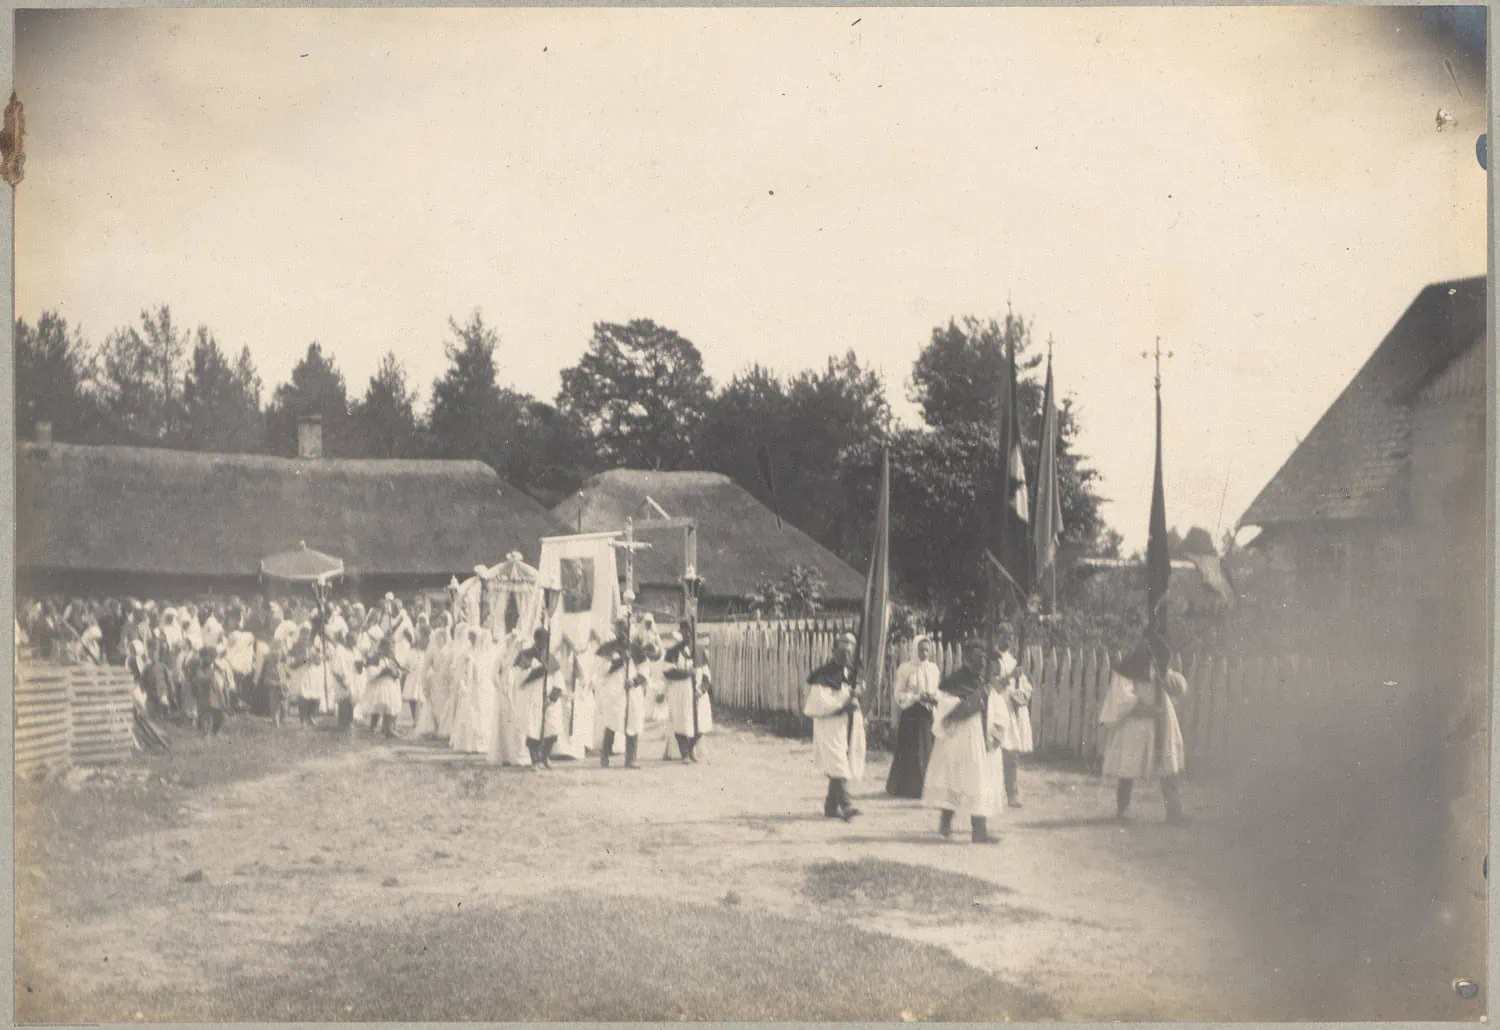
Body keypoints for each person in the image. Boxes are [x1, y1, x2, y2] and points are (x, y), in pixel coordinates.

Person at [1098, 633, 1189, 825]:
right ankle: (1123, 811)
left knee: (1168, 766)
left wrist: (1166, 676)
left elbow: (1179, 688)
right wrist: (1148, 710)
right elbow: (1121, 699)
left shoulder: (1160, 668)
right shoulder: (1127, 669)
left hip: (1162, 724)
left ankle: (1174, 811)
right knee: (1128, 768)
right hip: (1136, 726)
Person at [922, 641, 1004, 844]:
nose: (981, 663)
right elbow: (949, 711)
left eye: (983, 659)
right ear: (967, 659)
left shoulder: (985, 681)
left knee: (978, 781)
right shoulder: (957, 680)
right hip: (960, 737)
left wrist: (996, 733)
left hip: (979, 736)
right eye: (977, 659)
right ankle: (946, 821)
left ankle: (979, 830)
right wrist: (975, 702)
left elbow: (996, 708)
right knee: (956, 780)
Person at [803, 632, 866, 821]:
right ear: (835, 646)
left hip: (848, 723)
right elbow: (818, 703)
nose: (847, 647)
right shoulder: (823, 674)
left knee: (842, 761)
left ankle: (830, 806)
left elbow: (857, 694)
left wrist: (858, 693)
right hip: (829, 723)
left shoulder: (854, 673)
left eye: (851, 644)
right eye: (844, 642)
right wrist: (843, 703)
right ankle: (846, 806)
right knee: (837, 761)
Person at [595, 617, 656, 769]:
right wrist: (621, 660)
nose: (621, 632)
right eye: (619, 629)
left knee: (633, 722)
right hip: (614, 690)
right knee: (612, 722)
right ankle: (604, 756)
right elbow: (601, 670)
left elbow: (644, 669)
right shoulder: (608, 647)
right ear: (615, 630)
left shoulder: (635, 648)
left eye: (624, 629)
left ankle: (631, 760)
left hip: (632, 690)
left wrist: (635, 682)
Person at [885, 635, 941, 798]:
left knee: (926, 749)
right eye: (921, 649)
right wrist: (916, 697)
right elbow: (898, 694)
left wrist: (933, 697)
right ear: (914, 650)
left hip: (927, 714)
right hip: (911, 714)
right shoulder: (905, 669)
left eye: (926, 649)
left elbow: (937, 689)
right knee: (910, 750)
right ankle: (906, 788)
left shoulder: (933, 669)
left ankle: (926, 787)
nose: (924, 653)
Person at [992, 624, 1034, 809]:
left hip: (1012, 709)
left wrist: (1023, 694)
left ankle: (1012, 792)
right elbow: (992, 686)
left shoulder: (1013, 659)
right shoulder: (992, 658)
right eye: (1004, 636)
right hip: (998, 708)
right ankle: (994, 792)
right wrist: (1009, 676)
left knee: (1011, 752)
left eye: (1010, 636)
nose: (1007, 640)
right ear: (997, 636)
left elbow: (1024, 683)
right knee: (996, 751)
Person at [514, 627, 564, 769]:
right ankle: (535, 760)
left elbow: (558, 680)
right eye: (542, 640)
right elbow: (520, 680)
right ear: (535, 640)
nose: (544, 644)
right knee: (533, 729)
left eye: (546, 641)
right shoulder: (526, 655)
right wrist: (539, 671)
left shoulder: (550, 656)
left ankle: (544, 756)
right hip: (532, 698)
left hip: (548, 699)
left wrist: (552, 698)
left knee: (552, 728)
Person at [663, 620, 713, 763]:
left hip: (697, 692)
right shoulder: (673, 651)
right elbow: (667, 672)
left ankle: (690, 749)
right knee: (681, 723)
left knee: (700, 725)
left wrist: (701, 690)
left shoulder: (700, 650)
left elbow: (706, 676)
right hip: (680, 691)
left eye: (690, 631)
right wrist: (686, 673)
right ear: (681, 633)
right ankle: (684, 754)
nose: (687, 635)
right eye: (684, 632)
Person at [363, 628, 405, 739]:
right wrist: (382, 671)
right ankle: (373, 726)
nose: (390, 650)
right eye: (387, 648)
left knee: (390, 705)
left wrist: (395, 673)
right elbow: (370, 673)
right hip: (379, 685)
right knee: (379, 704)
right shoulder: (374, 657)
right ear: (381, 647)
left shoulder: (392, 658)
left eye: (391, 648)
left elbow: (398, 672)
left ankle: (388, 728)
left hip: (391, 685)